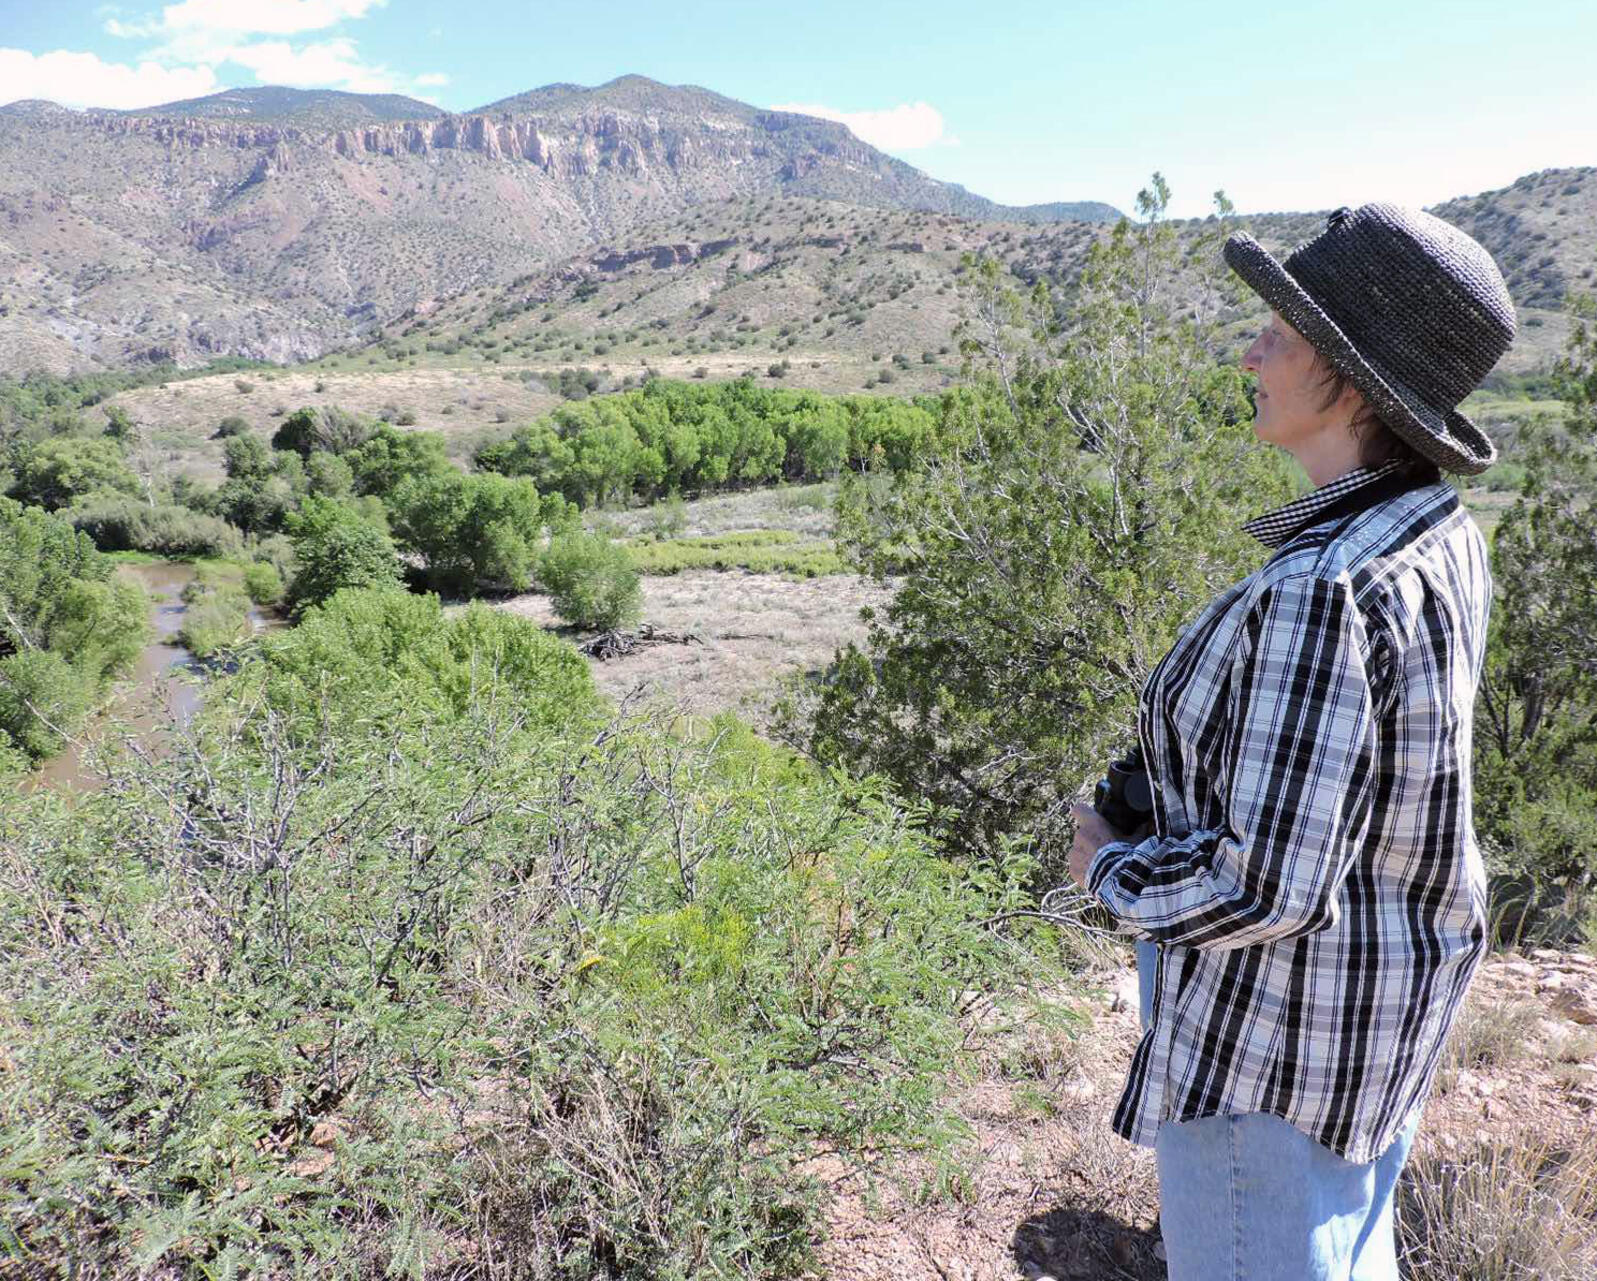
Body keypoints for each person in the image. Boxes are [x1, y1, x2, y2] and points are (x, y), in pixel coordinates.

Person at [1064, 202, 1516, 1280]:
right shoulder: (1429, 531)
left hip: (1269, 1050)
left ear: (1350, 383)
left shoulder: (1327, 586)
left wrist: (1110, 870)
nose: (1251, 349)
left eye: (1283, 332)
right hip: (1366, 1023)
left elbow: (1267, 890)